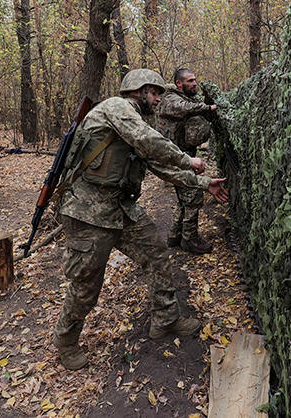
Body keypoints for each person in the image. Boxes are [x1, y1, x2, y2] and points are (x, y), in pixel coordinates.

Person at [53, 68, 229, 370]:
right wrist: (188, 159)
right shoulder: (117, 108)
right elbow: (149, 141)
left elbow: (160, 165)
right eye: (155, 92)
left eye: (161, 93)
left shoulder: (134, 122)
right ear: (139, 90)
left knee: (156, 253)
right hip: (87, 213)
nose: (159, 99)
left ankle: (165, 318)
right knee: (85, 285)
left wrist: (204, 183)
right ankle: (66, 341)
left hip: (120, 208)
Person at [155, 68, 218, 254]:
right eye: (190, 81)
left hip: (184, 156)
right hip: (175, 157)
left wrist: (207, 104)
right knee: (192, 195)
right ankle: (190, 239)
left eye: (195, 80)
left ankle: (175, 235)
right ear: (179, 84)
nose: (194, 83)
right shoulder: (169, 100)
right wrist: (206, 108)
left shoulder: (188, 98)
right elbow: (183, 108)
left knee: (184, 198)